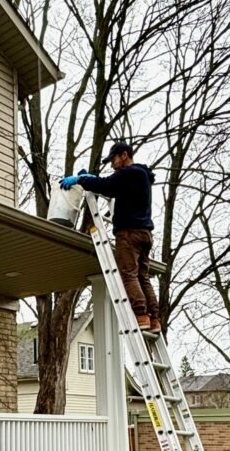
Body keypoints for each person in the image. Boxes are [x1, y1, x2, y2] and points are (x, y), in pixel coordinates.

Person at [59, 142, 161, 332]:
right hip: (145, 233)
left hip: (129, 233)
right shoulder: (141, 176)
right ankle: (153, 319)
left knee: (128, 274)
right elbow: (110, 184)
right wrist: (90, 179)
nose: (112, 165)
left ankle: (140, 315)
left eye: (113, 159)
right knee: (142, 276)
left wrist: (81, 180)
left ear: (124, 155)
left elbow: (106, 186)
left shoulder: (130, 173)